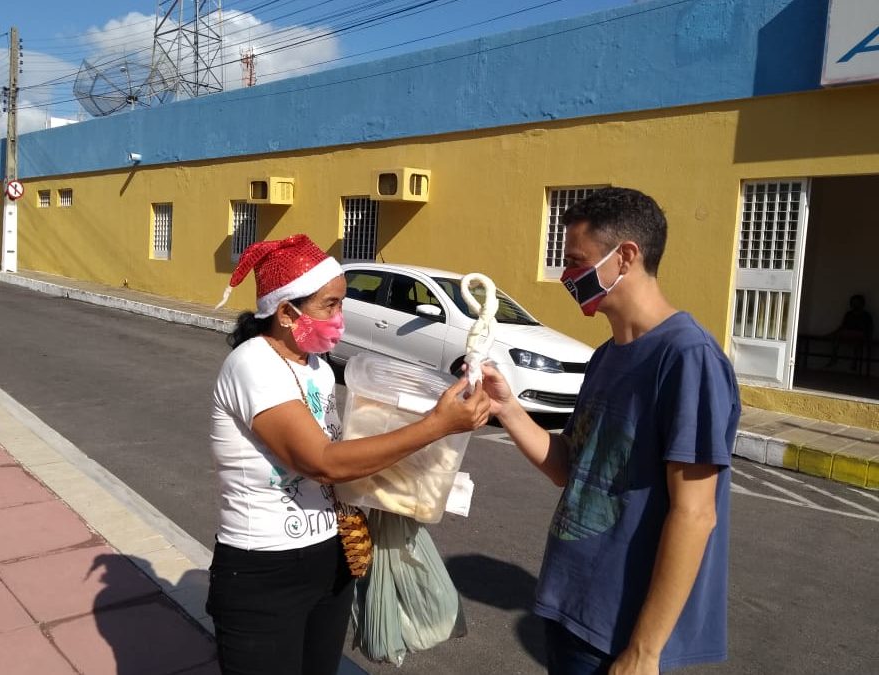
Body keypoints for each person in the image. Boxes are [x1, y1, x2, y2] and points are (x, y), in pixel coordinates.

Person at [481, 188, 740, 674]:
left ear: (625, 257)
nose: (566, 275)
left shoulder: (687, 358)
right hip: (569, 608)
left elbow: (695, 514)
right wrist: (508, 408)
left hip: (619, 633)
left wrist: (644, 651)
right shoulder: (607, 356)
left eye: (577, 261)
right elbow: (568, 469)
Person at [206, 234, 490, 675]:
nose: (341, 318)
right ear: (286, 312)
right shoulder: (253, 366)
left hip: (329, 555)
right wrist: (435, 426)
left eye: (342, 304)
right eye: (331, 305)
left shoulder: (315, 365)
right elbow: (321, 461)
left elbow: (345, 454)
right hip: (263, 569)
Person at [827, 294, 873, 371]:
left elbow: (869, 329)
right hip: (847, 334)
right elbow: (843, 326)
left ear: (862, 304)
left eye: (857, 302)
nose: (855, 304)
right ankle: (834, 357)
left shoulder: (866, 315)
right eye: (853, 302)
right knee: (837, 337)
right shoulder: (849, 314)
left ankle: (854, 362)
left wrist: (867, 337)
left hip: (860, 335)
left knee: (857, 342)